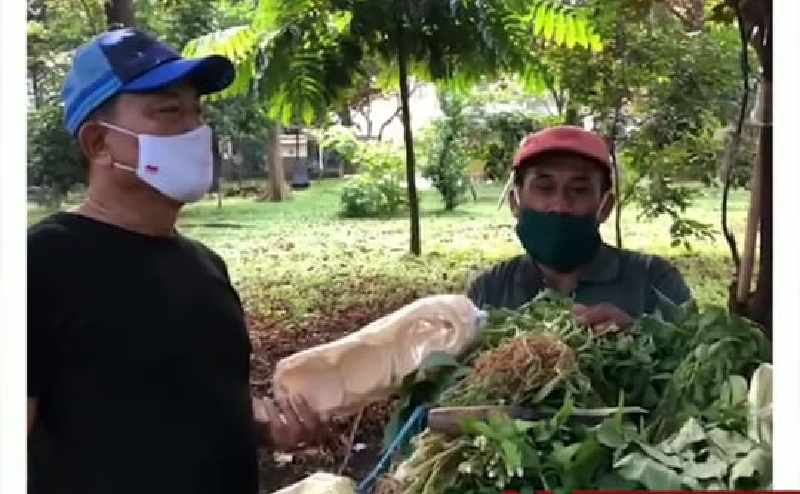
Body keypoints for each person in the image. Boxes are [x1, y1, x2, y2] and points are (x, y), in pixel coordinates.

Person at [27, 28, 323, 494]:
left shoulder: (206, 267)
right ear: (98, 143)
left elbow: (187, 408)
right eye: (169, 111)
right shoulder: (39, 265)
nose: (195, 130)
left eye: (197, 111)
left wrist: (268, 428)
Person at [467, 126, 692, 332]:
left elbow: (692, 357)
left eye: (579, 189)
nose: (560, 206)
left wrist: (640, 337)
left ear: (605, 207)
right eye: (544, 188)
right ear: (515, 203)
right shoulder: (490, 290)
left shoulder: (655, 282)